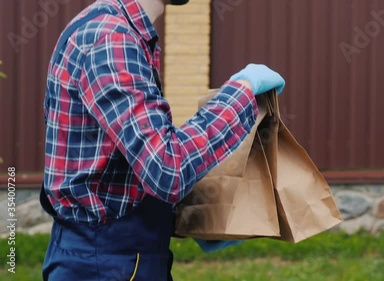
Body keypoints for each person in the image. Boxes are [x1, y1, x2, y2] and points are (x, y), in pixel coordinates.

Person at [40, 0, 285, 280]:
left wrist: (187, 217)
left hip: (115, 257)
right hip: (106, 264)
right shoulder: (111, 40)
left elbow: (124, 166)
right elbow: (167, 168)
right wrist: (243, 92)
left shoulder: (116, 30)